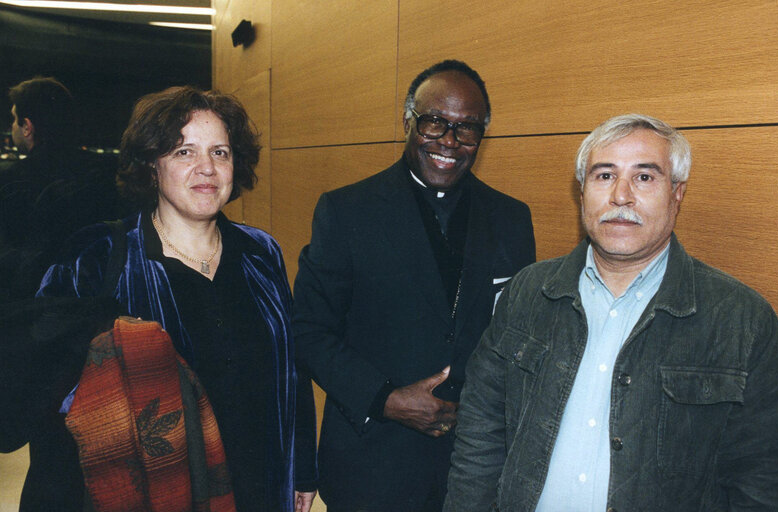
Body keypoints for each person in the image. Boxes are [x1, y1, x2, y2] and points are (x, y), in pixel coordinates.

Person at [444, 113, 778, 511]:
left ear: (677, 193)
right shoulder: (527, 292)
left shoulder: (742, 319)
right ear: (582, 192)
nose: (621, 196)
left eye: (644, 177)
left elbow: (770, 481)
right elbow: (480, 431)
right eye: (604, 175)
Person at [34, 86, 318, 512]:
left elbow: (290, 372)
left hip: (258, 482)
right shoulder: (97, 257)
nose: (206, 168)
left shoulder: (261, 253)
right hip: (156, 494)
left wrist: (302, 470)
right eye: (184, 152)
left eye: (220, 152)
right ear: (152, 165)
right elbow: (49, 393)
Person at [292, 60, 536, 512]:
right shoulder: (346, 211)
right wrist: (384, 398)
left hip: (473, 470)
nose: (449, 141)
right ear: (408, 122)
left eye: (467, 129)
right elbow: (307, 331)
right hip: (373, 465)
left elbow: (517, 340)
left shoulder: (511, 219)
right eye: (434, 123)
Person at [0, 77, 124, 302]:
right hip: (101, 297)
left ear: (27, 127)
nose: (11, 128)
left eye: (14, 120)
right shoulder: (106, 170)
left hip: (36, 304)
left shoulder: (11, 178)